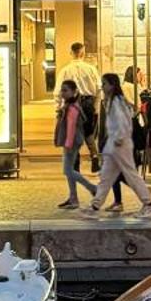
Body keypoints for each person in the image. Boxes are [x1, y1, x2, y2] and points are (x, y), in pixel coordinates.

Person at [87, 72, 151, 218]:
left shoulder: (116, 101)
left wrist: (118, 138)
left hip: (119, 144)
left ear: (112, 85)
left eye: (104, 83)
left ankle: (148, 204)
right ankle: (95, 206)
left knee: (130, 175)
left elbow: (122, 122)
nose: (102, 86)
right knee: (106, 176)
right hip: (115, 144)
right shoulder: (114, 100)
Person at [66, 42, 103, 168]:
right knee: (88, 131)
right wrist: (96, 107)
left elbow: (59, 91)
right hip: (88, 103)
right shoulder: (91, 69)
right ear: (83, 53)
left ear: (71, 53)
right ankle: (94, 155)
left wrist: (59, 107)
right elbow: (99, 88)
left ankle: (75, 162)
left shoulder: (66, 70)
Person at [54, 78, 87, 209]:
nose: (62, 93)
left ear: (74, 92)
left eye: (65, 90)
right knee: (70, 170)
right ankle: (73, 197)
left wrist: (67, 144)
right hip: (71, 142)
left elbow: (72, 127)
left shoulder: (72, 107)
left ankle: (92, 188)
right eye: (62, 90)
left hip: (71, 143)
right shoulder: (68, 105)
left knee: (68, 170)